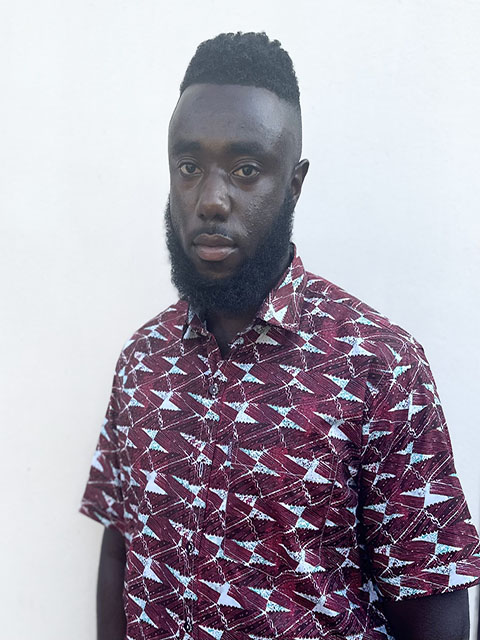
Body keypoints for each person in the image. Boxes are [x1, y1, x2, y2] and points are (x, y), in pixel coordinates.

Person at [80, 32, 480, 640]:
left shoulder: (378, 365)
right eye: (189, 168)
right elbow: (119, 546)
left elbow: (434, 604)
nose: (210, 200)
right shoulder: (142, 360)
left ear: (294, 183)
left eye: (246, 170)